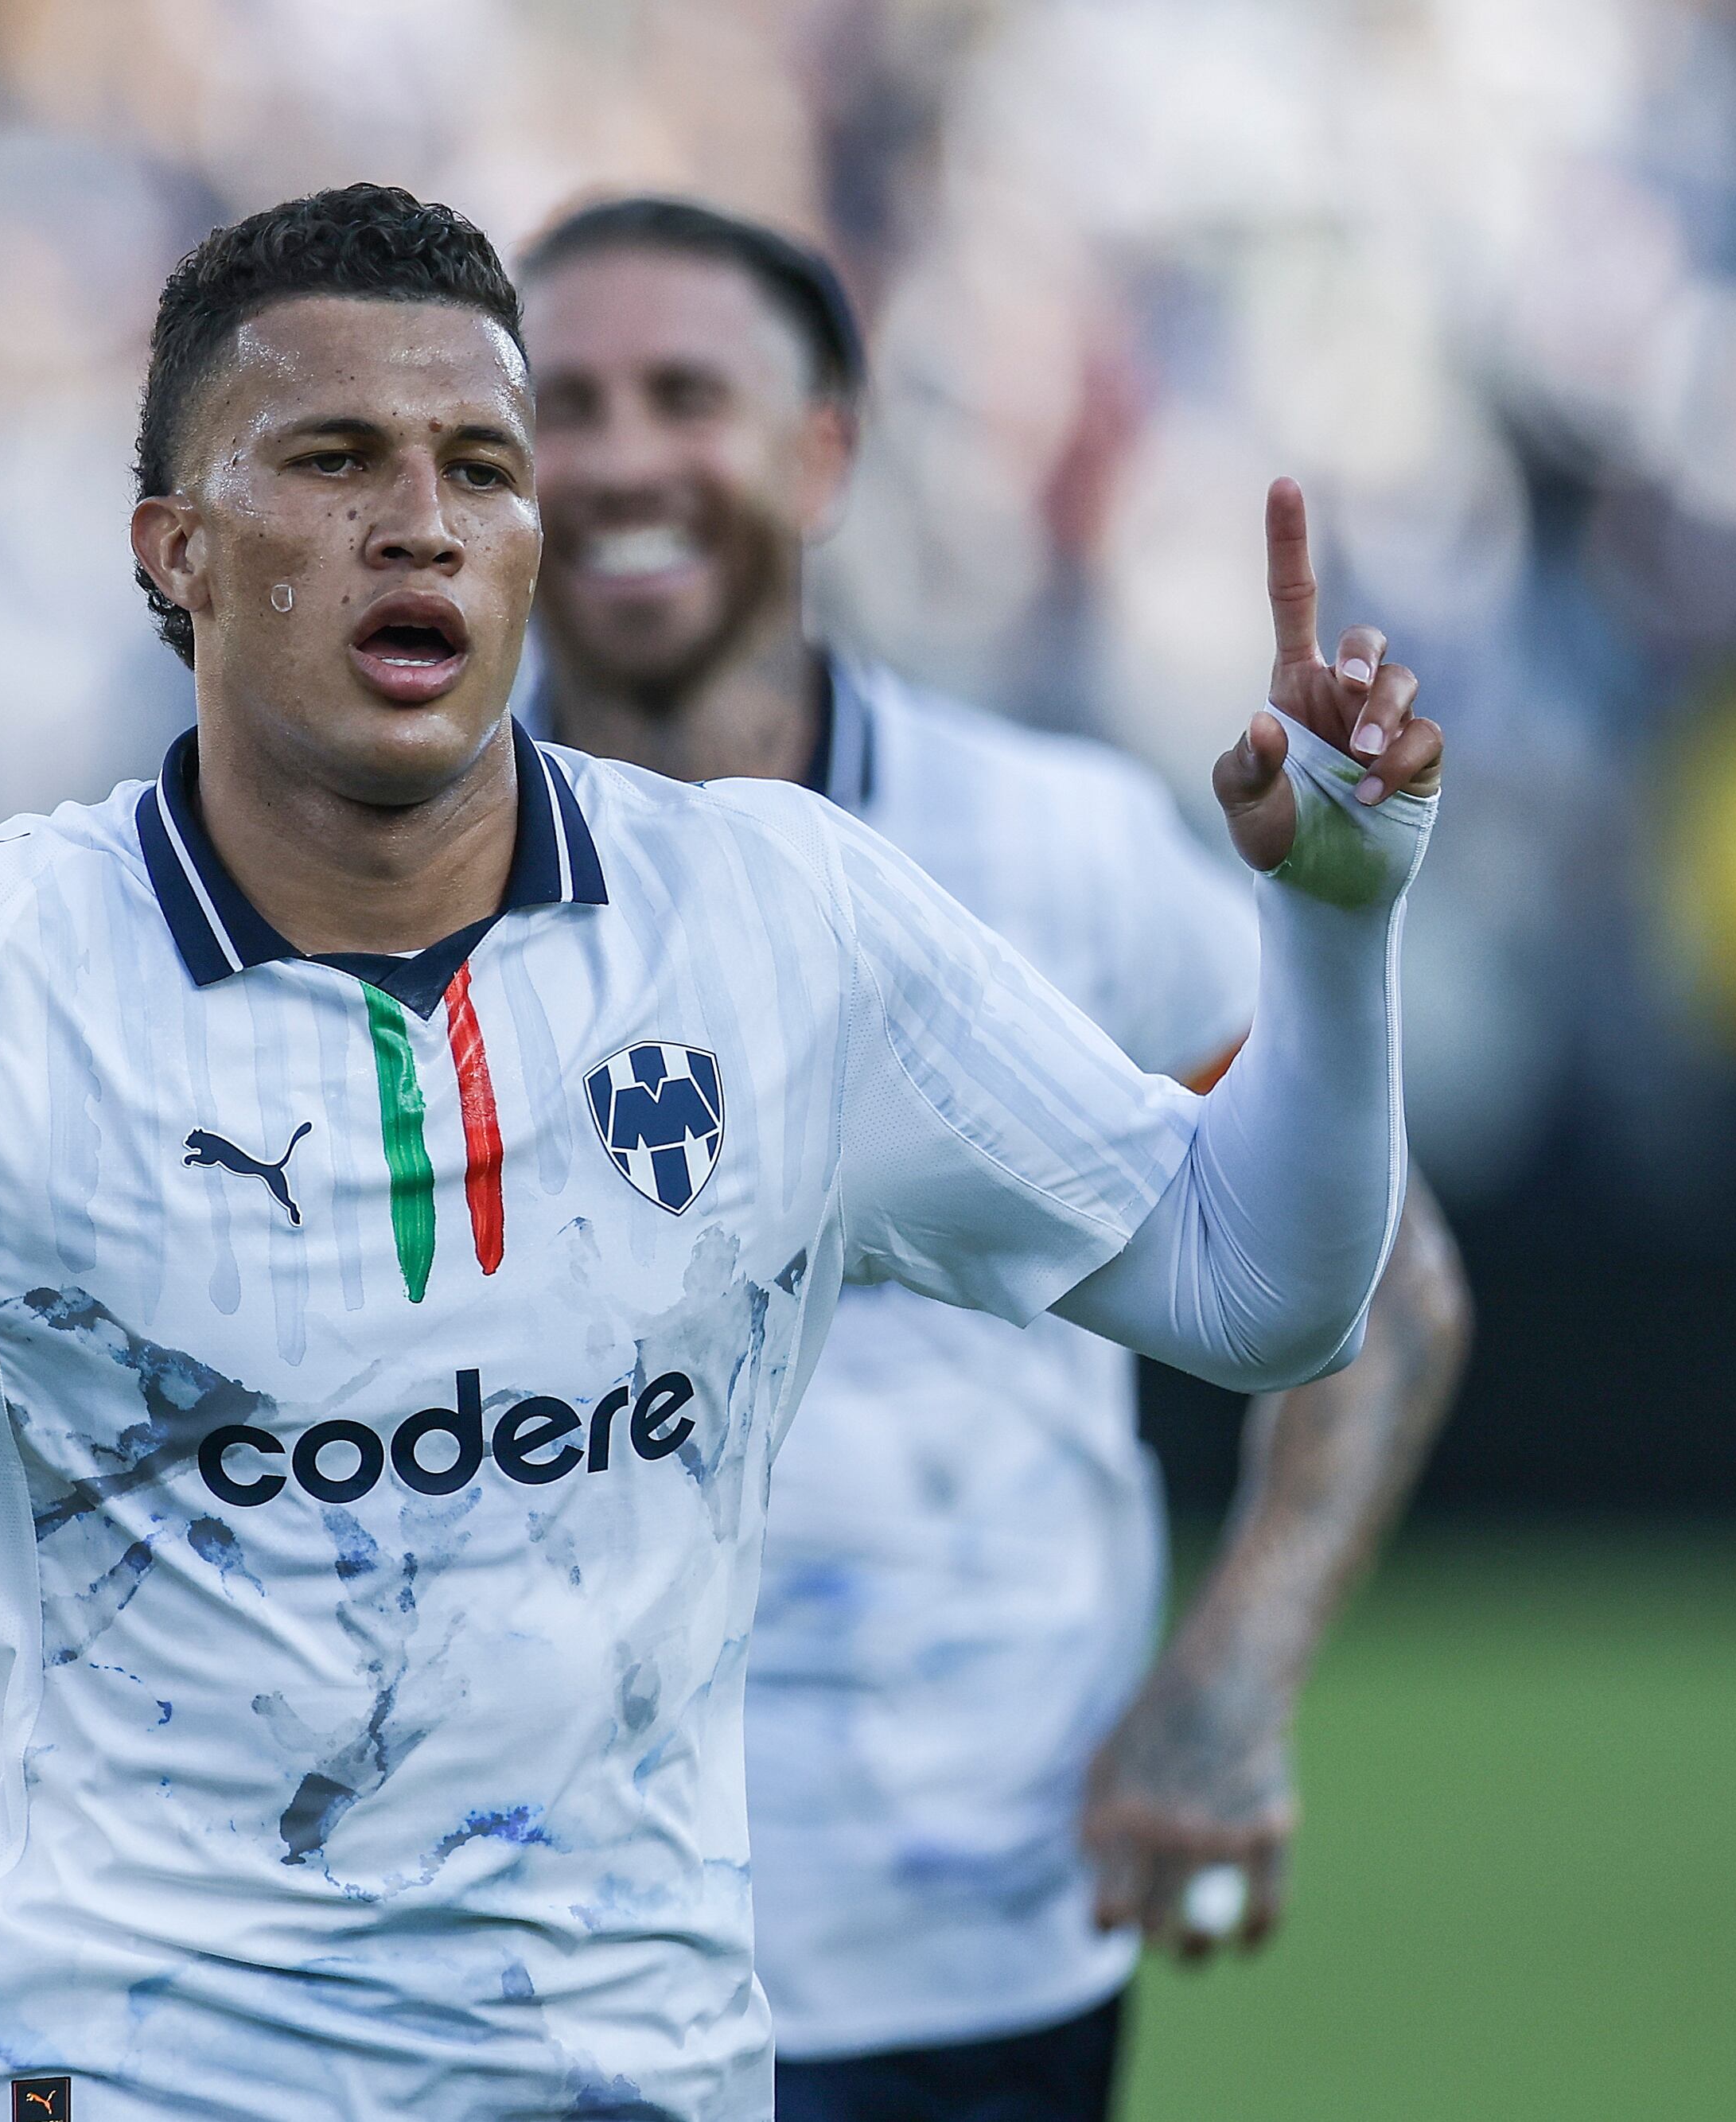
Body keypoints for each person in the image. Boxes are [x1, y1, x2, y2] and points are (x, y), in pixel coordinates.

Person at [0, 183, 1440, 2121]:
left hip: (621, 2073)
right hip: (120, 2071)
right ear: (175, 549)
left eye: (481, 468)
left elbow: (1256, 1292)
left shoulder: (775, 919)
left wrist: (1337, 932)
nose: (422, 523)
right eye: (335, 461)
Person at [516, 195, 1474, 2122]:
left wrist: (1232, 1673)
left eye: (684, 397)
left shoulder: (1055, 848)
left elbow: (1385, 1284)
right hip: (507, 1960)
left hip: (961, 1945)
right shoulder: (373, 871)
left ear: (822, 453)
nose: (616, 458)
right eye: (559, 408)